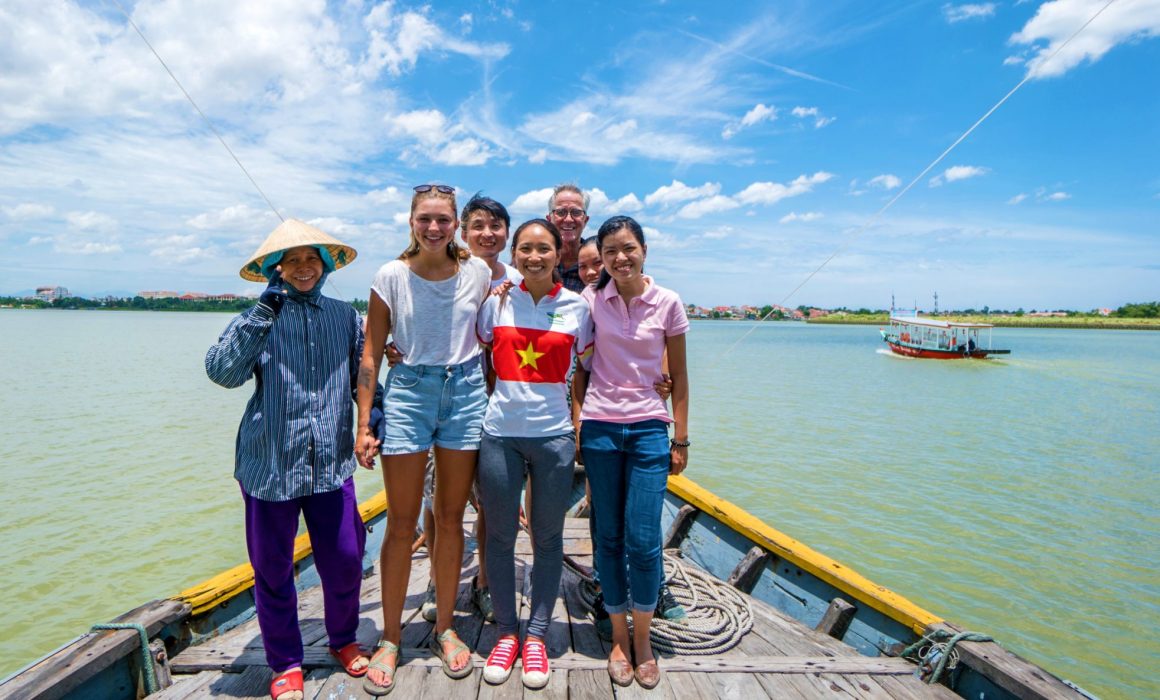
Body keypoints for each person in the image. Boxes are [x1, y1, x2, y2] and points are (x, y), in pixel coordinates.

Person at [205, 221, 372, 700]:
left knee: (344, 559)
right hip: (269, 464)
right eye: (292, 260)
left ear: (324, 265)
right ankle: (285, 661)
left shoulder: (346, 316)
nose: (303, 268)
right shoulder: (258, 315)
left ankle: (342, 638)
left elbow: (367, 375)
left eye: (311, 259)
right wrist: (265, 310)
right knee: (272, 569)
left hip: (330, 463)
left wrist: (369, 425)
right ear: (277, 269)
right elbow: (222, 373)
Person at [356, 184, 491, 694]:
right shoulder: (390, 276)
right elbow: (371, 353)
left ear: (456, 223)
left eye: (443, 220)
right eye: (425, 219)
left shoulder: (478, 271)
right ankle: (390, 637)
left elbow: (533, 291)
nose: (434, 228)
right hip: (409, 389)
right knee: (401, 521)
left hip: (465, 389)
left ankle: (445, 627)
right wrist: (364, 423)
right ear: (411, 221)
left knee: (452, 517)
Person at [473, 219, 593, 688]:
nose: (535, 256)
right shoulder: (496, 302)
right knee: (500, 538)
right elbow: (467, 354)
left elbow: (591, 366)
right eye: (526, 249)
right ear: (515, 254)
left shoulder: (578, 307)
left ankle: (537, 636)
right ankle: (507, 632)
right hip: (499, 434)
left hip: (554, 439)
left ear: (555, 252)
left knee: (547, 540)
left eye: (544, 248)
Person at [573, 215, 690, 690]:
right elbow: (571, 350)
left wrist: (680, 439)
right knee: (610, 537)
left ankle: (644, 640)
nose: (620, 258)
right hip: (601, 428)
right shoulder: (588, 301)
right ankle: (618, 636)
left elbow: (679, 377)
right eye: (610, 252)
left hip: (648, 431)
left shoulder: (668, 302)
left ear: (644, 250)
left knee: (643, 540)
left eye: (628, 248)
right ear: (600, 260)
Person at [546, 183, 590, 293]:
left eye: (576, 212)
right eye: (561, 212)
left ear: (585, 220)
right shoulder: (539, 261)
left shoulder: (599, 263)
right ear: (549, 219)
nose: (568, 219)